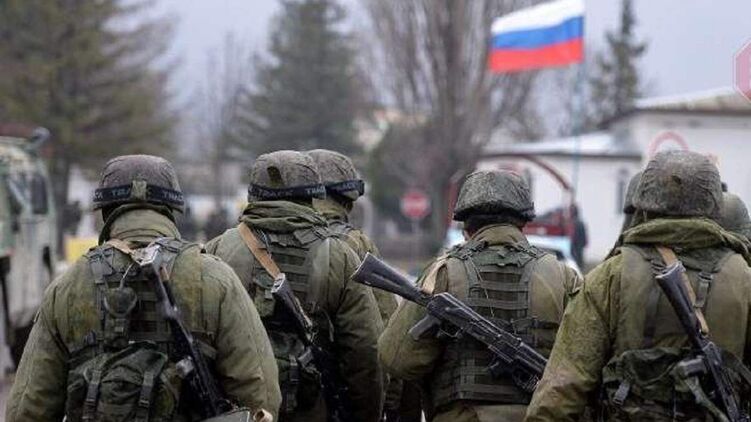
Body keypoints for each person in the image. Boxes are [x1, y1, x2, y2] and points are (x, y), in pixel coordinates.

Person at [7, 155, 281, 421]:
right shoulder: (216, 278)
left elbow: (28, 410)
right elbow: (260, 397)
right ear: (171, 210)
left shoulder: (67, 286)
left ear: (106, 211)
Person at [526, 150, 751, 422]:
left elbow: (561, 392)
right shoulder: (745, 279)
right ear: (714, 203)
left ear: (644, 203)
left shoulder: (610, 276)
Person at [379, 169, 580, 422]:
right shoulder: (563, 277)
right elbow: (585, 368)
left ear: (465, 225)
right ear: (523, 221)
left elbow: (397, 359)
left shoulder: (443, 272)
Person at [205, 150, 384, 422]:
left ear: (254, 194)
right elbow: (364, 350)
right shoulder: (338, 256)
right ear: (313, 195)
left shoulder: (218, 250)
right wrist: (365, 415)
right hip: (314, 408)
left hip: (239, 410)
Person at [307, 148, 405, 420]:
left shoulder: (259, 239)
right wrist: (388, 403)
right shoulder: (355, 244)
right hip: (339, 397)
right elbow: (384, 333)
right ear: (348, 197)